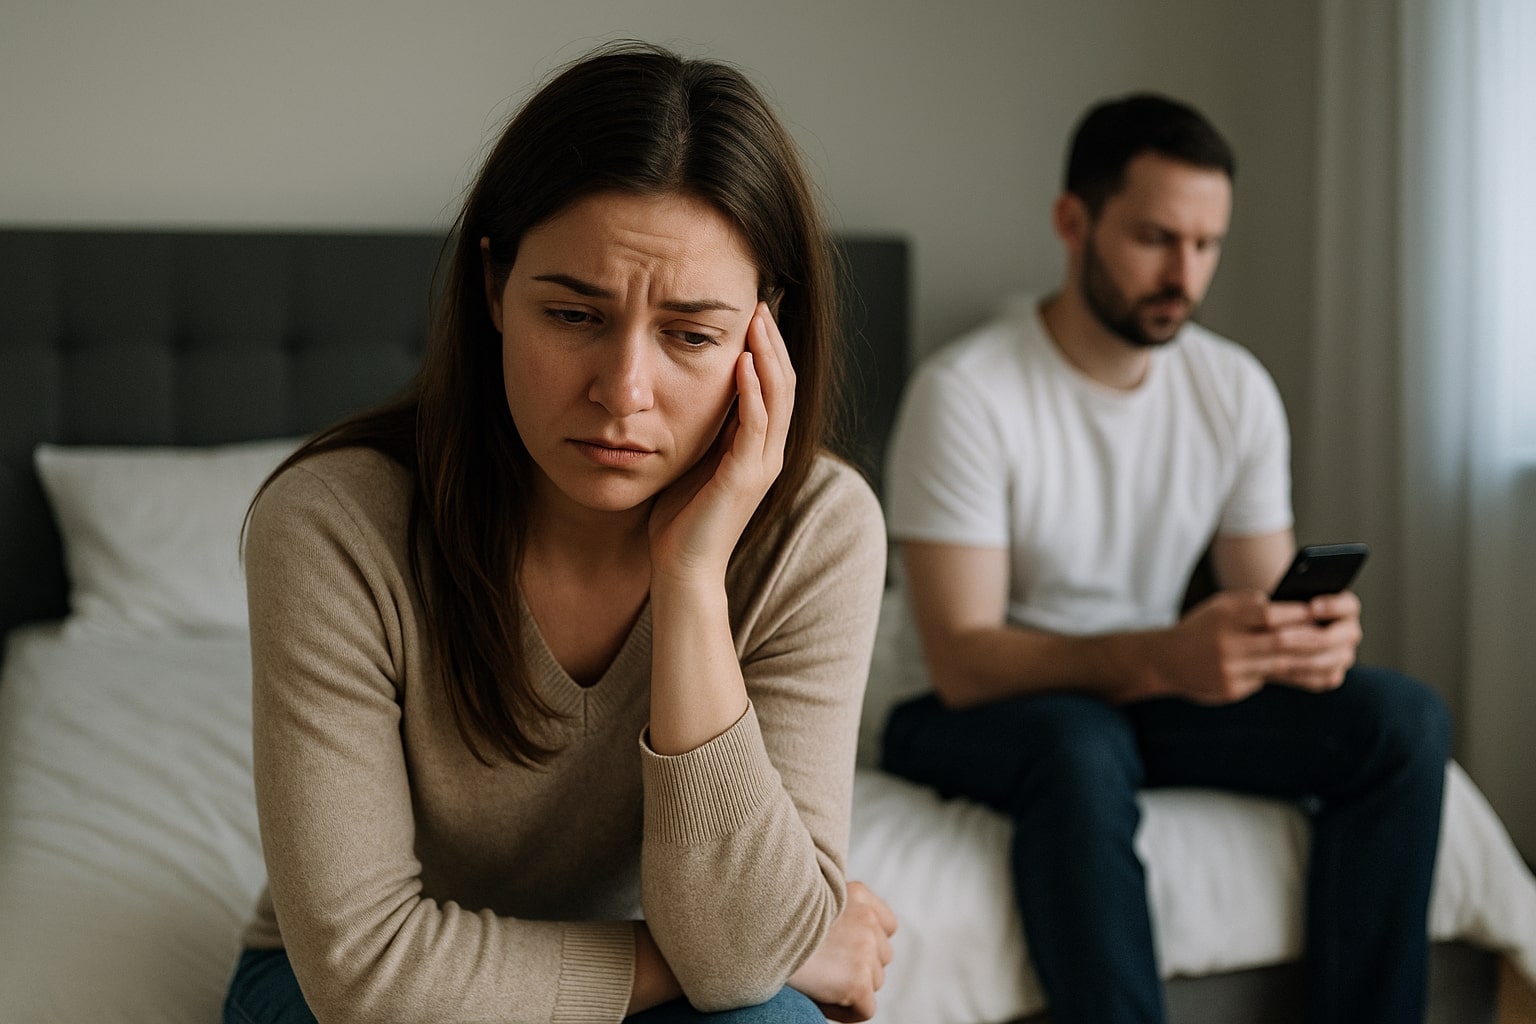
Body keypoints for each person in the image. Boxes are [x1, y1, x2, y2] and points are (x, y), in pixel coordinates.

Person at [223, 42, 897, 1024]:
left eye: (691, 334)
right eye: (574, 313)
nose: (623, 391)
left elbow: (745, 960)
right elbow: (366, 975)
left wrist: (695, 576)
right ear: (493, 287)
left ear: (767, 327)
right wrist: (687, 963)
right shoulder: (335, 526)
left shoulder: (820, 532)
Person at [880, 93, 1450, 1024]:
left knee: (1404, 721)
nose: (1184, 274)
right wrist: (1160, 657)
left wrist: (1303, 640)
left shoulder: (1232, 390)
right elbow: (963, 658)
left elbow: (1259, 592)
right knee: (1079, 742)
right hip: (967, 712)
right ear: (1074, 222)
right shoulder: (967, 395)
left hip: (1145, 698)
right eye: (1155, 238)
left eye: (1207, 244)